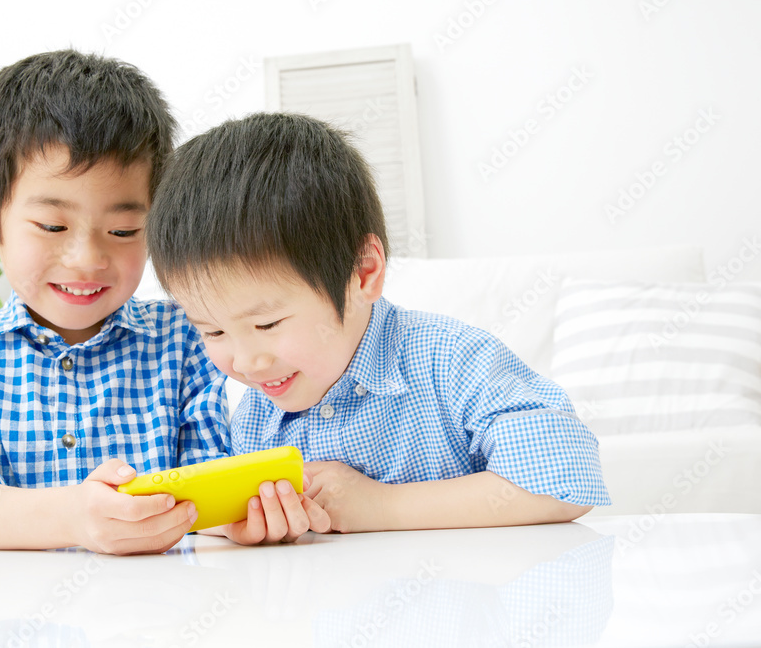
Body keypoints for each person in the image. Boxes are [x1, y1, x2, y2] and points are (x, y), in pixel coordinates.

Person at [0, 51, 315, 554]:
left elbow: (209, 476)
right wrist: (73, 519)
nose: (87, 259)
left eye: (123, 230)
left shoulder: (186, 337)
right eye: (52, 226)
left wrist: (236, 516)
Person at [145, 112, 611, 533]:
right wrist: (252, 531)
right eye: (212, 331)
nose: (246, 363)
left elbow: (567, 478)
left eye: (267, 325)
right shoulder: (257, 420)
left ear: (363, 272)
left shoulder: (451, 360)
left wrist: (384, 507)